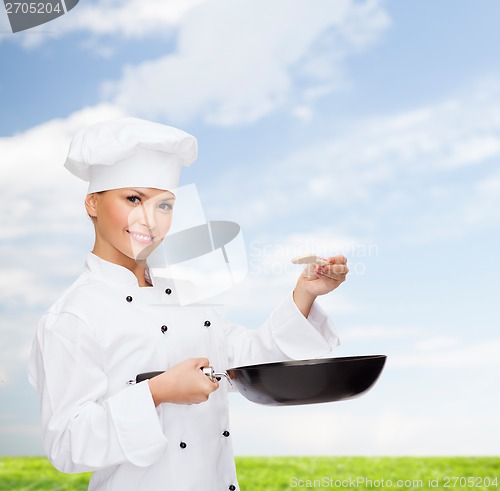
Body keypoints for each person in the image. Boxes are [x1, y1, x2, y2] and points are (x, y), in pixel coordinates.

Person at [28, 117, 349, 491]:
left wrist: (305, 294)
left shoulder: (183, 297)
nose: (149, 220)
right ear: (93, 203)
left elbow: (246, 361)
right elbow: (68, 444)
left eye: (164, 205)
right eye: (133, 199)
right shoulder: (72, 317)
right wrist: (157, 392)